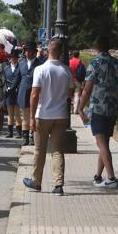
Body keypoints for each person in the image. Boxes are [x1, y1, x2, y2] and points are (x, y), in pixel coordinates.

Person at [22, 39, 74, 195]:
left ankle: (36, 181)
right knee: (58, 151)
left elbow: (34, 94)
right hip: (61, 116)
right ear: (60, 53)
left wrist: (31, 117)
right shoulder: (66, 70)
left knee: (40, 150)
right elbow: (70, 94)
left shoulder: (40, 69)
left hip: (43, 114)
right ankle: (58, 185)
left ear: (48, 51)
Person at [77, 36, 118, 188]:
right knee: (104, 143)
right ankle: (98, 176)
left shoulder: (95, 63)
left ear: (96, 47)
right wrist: (113, 90)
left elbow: (87, 89)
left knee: (101, 143)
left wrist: (80, 108)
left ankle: (111, 178)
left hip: (99, 108)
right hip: (113, 109)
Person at [13, 40, 42, 146]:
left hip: (36, 92)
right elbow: (17, 78)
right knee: (25, 116)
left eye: (30, 51)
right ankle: (25, 138)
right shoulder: (21, 63)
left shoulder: (40, 64)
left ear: (35, 52)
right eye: (26, 51)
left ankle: (33, 136)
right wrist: (10, 89)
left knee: (34, 115)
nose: (28, 53)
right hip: (23, 92)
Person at [3, 49, 22, 138]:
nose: (13, 59)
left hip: (17, 92)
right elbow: (3, 80)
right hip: (9, 92)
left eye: (15, 58)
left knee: (17, 113)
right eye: (12, 58)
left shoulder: (20, 68)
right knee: (10, 114)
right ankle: (10, 132)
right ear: (10, 59)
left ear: (17, 59)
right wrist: (6, 88)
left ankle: (19, 132)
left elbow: (21, 80)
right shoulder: (6, 68)